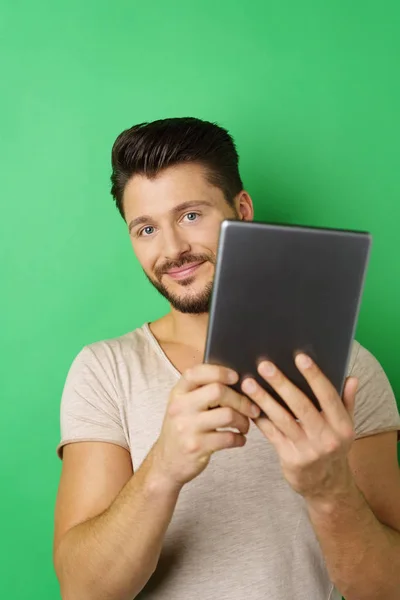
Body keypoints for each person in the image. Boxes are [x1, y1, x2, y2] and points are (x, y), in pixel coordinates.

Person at [53, 117, 400, 600]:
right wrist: (164, 467)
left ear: (242, 209)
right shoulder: (105, 371)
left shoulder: (346, 368)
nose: (172, 250)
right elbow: (83, 590)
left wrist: (329, 490)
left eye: (191, 215)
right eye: (146, 228)